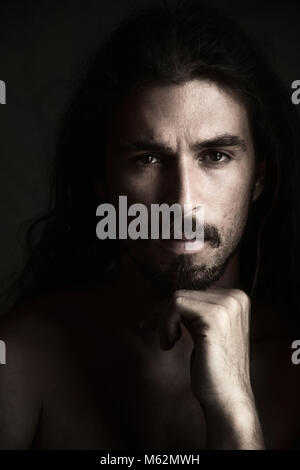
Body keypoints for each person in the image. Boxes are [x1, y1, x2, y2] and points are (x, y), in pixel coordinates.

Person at [1, 1, 300, 450]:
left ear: (259, 176)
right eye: (148, 159)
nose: (182, 202)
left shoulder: (291, 369)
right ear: (101, 180)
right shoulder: (22, 358)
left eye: (215, 156)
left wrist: (237, 419)